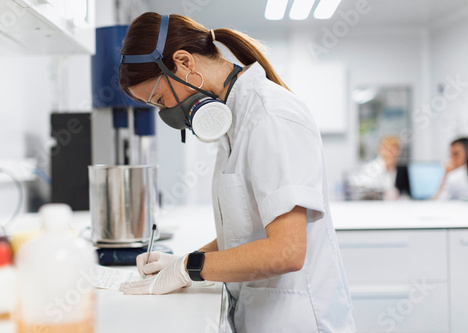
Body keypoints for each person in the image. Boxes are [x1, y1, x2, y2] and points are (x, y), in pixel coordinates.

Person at [117, 13, 355, 332]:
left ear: (184, 62)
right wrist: (182, 260)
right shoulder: (236, 119)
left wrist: (191, 267)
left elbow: (287, 252)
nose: (166, 114)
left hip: (298, 320)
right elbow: (246, 230)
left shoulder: (271, 117)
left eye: (160, 100)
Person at [347, 136, 403, 200]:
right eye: (388, 150)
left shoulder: (397, 171)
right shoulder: (370, 168)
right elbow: (357, 185)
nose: (392, 154)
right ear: (380, 150)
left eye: (395, 150)